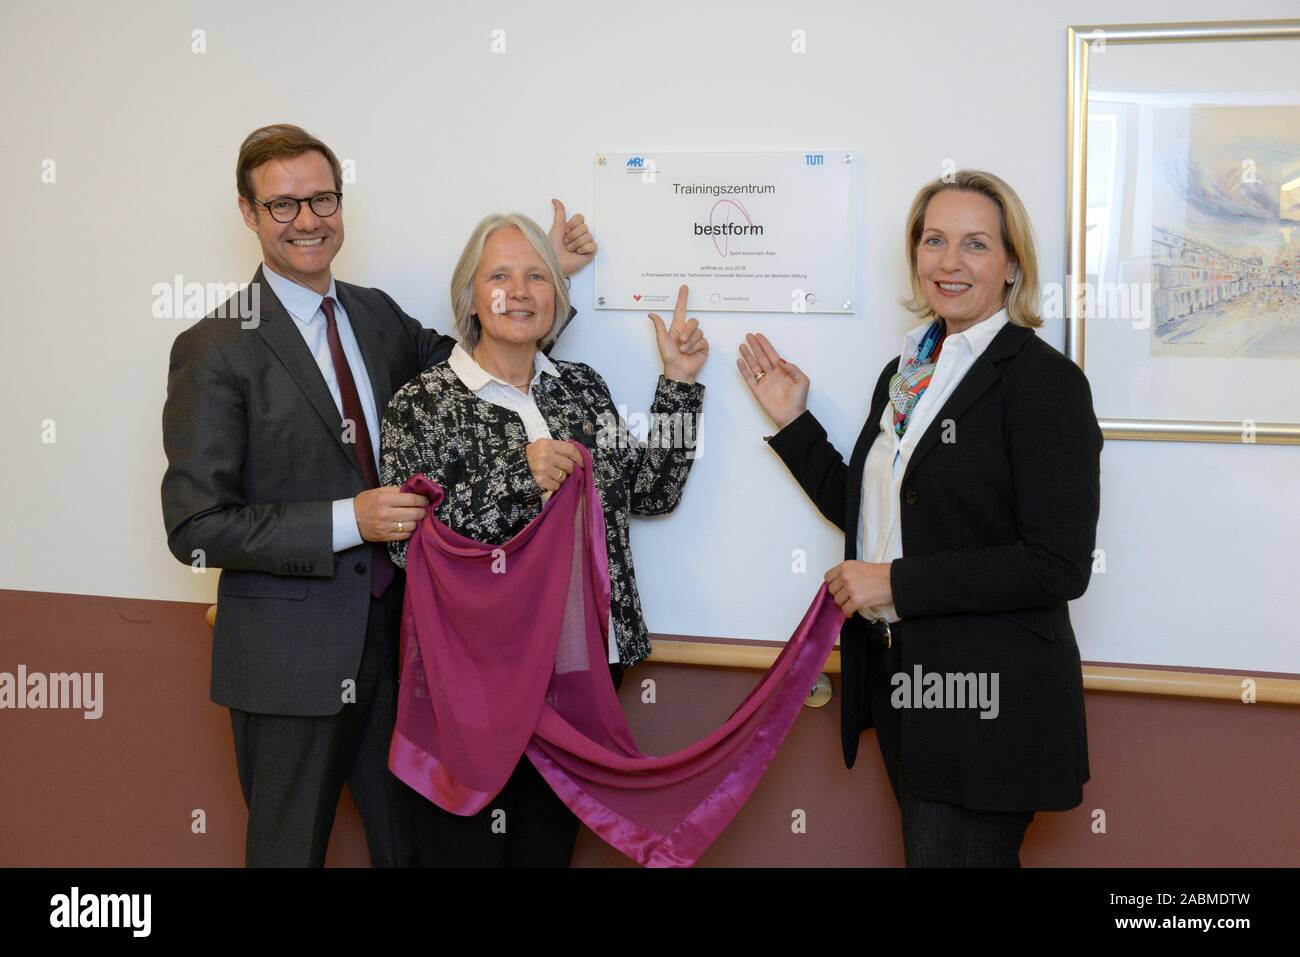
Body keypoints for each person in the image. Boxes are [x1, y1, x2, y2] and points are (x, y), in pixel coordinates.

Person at [160, 123, 596, 867]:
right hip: (288, 663)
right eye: (282, 205)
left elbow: (482, 365)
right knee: (287, 852)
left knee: (413, 852)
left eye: (321, 199)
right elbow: (197, 525)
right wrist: (348, 519)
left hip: (408, 649)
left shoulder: (377, 316)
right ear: (247, 213)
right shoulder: (214, 347)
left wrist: (541, 273)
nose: (307, 220)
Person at [738, 169, 1103, 867]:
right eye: (934, 240)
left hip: (989, 706)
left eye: (975, 244)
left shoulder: (1043, 382)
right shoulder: (908, 371)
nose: (949, 261)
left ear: (1012, 265)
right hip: (910, 689)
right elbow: (877, 511)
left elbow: (1057, 562)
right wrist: (794, 423)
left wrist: (897, 585)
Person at [380, 213, 708, 866]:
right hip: (479, 678)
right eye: (499, 275)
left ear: (557, 295)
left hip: (581, 670)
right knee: (467, 851)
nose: (520, 291)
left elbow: (650, 493)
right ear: (470, 296)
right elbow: (407, 543)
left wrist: (679, 385)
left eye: (537, 275)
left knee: (545, 851)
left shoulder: (582, 387)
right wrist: (517, 479)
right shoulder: (423, 403)